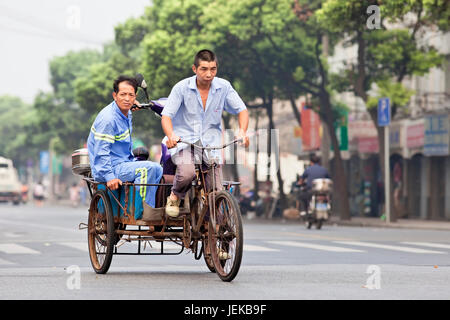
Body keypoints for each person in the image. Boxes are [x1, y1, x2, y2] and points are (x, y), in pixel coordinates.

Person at [161, 49, 249, 217]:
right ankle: (175, 196)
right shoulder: (181, 88)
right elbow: (166, 116)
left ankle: (210, 228)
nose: (209, 74)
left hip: (211, 144)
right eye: (204, 69)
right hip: (185, 141)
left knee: (216, 191)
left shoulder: (223, 87)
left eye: (213, 69)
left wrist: (242, 131)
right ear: (194, 69)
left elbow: (242, 110)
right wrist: (171, 135)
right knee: (186, 174)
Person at [87, 75, 163, 210]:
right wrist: (109, 177)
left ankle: (152, 207)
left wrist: (134, 104)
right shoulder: (108, 120)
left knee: (158, 168)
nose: (127, 99)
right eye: (123, 94)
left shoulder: (126, 111)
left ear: (135, 96)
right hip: (109, 168)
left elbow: (128, 102)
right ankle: (143, 210)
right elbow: (101, 152)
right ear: (114, 95)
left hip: (124, 162)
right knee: (147, 169)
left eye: (131, 95)